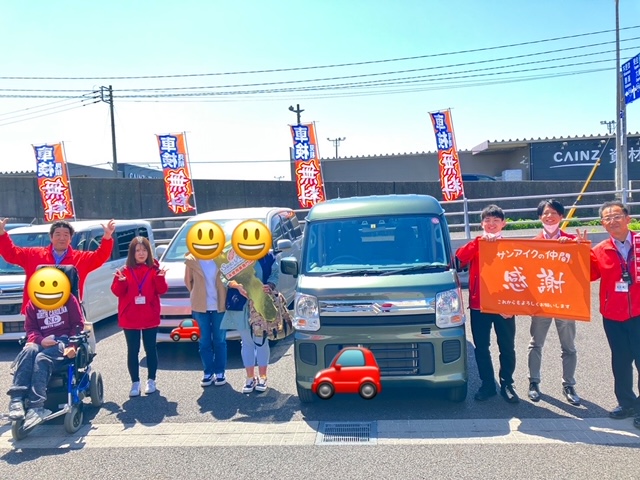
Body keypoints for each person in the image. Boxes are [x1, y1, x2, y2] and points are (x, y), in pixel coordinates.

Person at [456, 204, 519, 403]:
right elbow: (458, 261)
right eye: (487, 220)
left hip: (504, 305)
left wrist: (514, 306)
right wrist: (478, 242)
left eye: (495, 220)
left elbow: (522, 278)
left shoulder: (511, 247)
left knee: (507, 346)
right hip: (479, 305)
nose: (491, 224)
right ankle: (487, 385)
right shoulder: (477, 243)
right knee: (481, 347)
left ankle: (507, 383)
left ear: (503, 223)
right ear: (482, 223)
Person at [527, 199, 586, 406]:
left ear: (562, 217)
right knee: (535, 344)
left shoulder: (572, 241)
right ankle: (533, 382)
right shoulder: (533, 243)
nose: (549, 216)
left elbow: (589, 272)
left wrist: (578, 249)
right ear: (540, 217)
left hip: (566, 302)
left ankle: (568, 385)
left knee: (568, 346)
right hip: (541, 303)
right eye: (545, 213)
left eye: (554, 213)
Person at [590, 200, 640, 429]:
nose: (613, 221)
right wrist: (574, 250)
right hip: (613, 315)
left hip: (638, 313)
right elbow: (586, 274)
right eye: (607, 218)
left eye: (617, 216)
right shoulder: (600, 250)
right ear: (603, 224)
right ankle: (627, 403)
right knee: (620, 361)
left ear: (628, 218)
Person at [0, 218, 116, 312]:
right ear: (51, 237)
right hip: (38, 311)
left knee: (69, 341)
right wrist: (2, 234)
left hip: (68, 312)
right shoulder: (33, 255)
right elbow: (11, 254)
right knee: (38, 341)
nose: (62, 238)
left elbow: (100, 256)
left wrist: (107, 237)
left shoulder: (81, 258)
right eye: (58, 234)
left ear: (71, 238)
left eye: (66, 235)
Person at [7, 292, 84, 427]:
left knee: (42, 358)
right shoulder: (33, 303)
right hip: (41, 340)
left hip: (62, 340)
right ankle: (16, 400)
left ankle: (36, 406)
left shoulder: (68, 298)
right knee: (28, 351)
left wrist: (73, 345)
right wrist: (41, 340)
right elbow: (30, 329)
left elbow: (77, 324)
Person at [111, 237, 168, 397]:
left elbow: (162, 290)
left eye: (144, 250)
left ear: (149, 252)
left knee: (151, 349)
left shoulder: (155, 269)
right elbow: (116, 292)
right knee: (133, 350)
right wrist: (121, 282)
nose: (141, 253)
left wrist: (159, 278)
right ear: (132, 253)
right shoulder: (123, 271)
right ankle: (135, 382)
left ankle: (151, 380)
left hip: (149, 315)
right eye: (138, 250)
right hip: (130, 317)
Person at [221, 251, 279, 394]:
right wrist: (236, 286)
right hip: (239, 304)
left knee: (261, 340)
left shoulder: (268, 256)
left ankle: (263, 377)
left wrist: (269, 286)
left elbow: (275, 274)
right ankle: (249, 378)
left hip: (260, 303)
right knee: (246, 341)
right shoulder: (233, 255)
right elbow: (224, 277)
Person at [184, 252, 227, 387]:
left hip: (219, 305)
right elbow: (188, 281)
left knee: (220, 340)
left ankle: (220, 371)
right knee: (203, 341)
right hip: (200, 306)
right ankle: (208, 372)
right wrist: (197, 294)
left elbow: (229, 278)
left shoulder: (222, 257)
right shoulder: (191, 259)